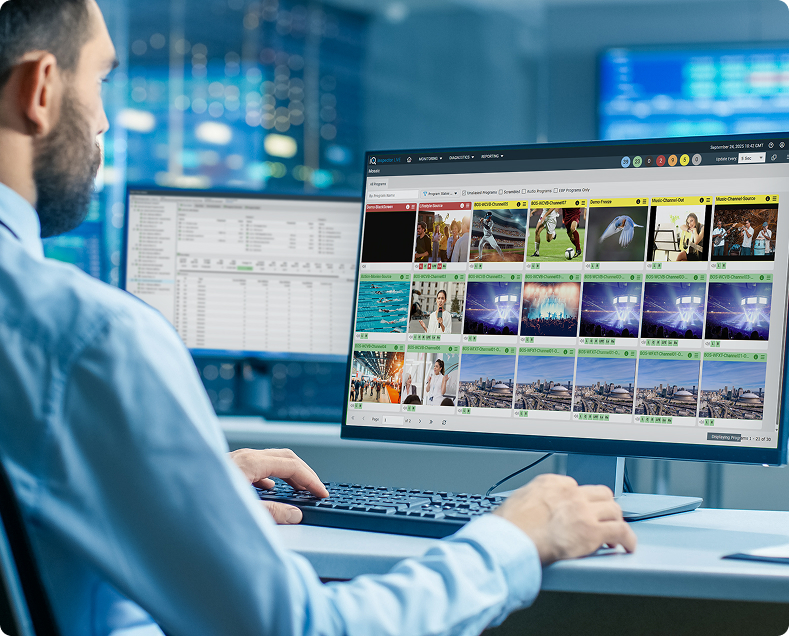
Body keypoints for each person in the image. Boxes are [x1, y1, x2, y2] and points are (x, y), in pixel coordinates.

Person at [0, 2, 636, 634]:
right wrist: (513, 543)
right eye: (101, 80)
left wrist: (181, 490)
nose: (105, 120)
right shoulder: (86, 339)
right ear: (41, 88)